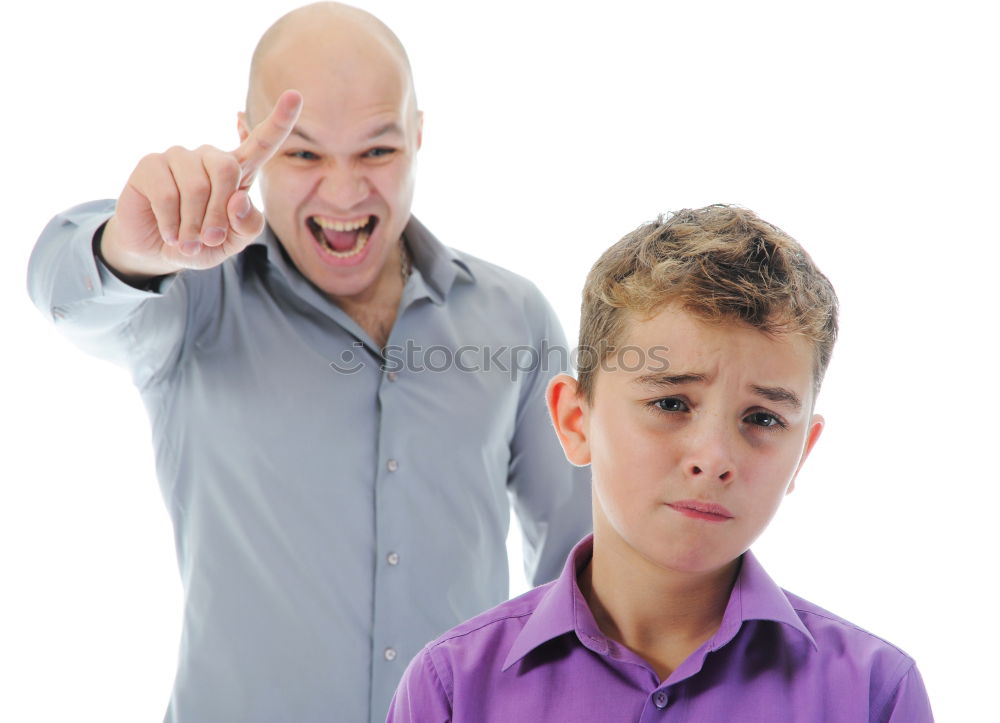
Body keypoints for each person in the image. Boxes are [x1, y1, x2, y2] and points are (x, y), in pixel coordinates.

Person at [26, 3, 591, 722]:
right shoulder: (190, 302)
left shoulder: (514, 317)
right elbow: (65, 292)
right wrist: (128, 250)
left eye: (378, 151)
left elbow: (582, 560)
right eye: (302, 152)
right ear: (246, 142)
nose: (346, 191)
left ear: (419, 137)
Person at [387, 205, 935, 722]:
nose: (714, 459)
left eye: (763, 419)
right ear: (576, 421)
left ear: (802, 455)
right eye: (670, 404)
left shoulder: (874, 694)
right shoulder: (452, 688)